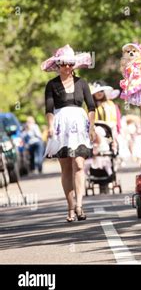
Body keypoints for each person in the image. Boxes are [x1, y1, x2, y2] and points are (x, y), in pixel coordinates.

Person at [41, 45, 95, 222]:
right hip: (61, 127)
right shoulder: (52, 85)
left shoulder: (82, 83)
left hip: (79, 126)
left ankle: (80, 205)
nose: (67, 67)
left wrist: (92, 126)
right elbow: (49, 108)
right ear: (58, 66)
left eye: (70, 64)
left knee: (79, 164)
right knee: (65, 167)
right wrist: (50, 126)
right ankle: (70, 206)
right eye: (63, 64)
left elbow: (91, 106)